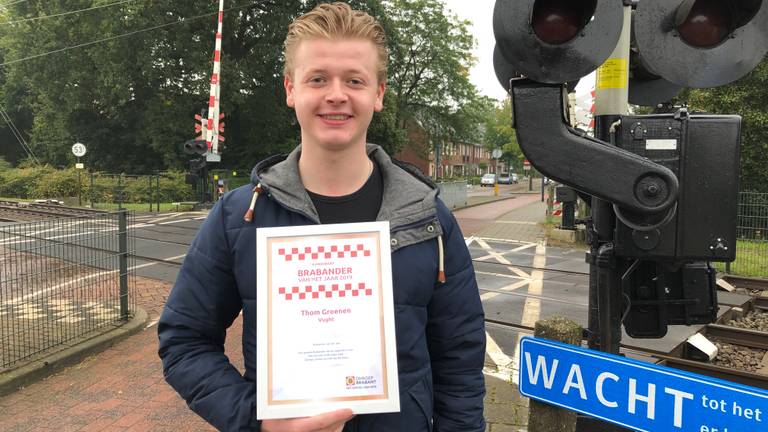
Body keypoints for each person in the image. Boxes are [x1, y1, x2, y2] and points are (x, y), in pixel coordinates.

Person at [158, 3, 486, 431]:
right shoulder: (239, 216)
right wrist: (257, 423)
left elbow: (459, 361)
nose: (336, 94)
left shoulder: (428, 217)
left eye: (354, 80)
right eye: (318, 79)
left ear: (379, 93)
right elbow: (185, 341)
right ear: (291, 89)